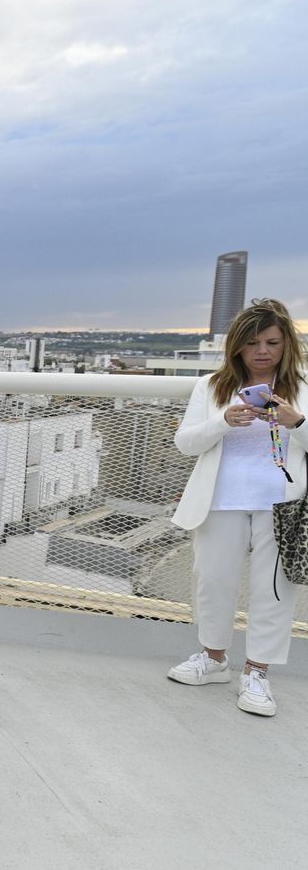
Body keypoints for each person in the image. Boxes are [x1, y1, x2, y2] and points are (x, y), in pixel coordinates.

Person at [167, 298, 307, 716]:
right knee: (213, 580)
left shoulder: (302, 387)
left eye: (271, 341)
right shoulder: (212, 387)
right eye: (252, 342)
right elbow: (185, 442)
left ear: (286, 345)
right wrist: (222, 421)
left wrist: (294, 421)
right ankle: (213, 659)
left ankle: (258, 673)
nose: (262, 351)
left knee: (275, 590)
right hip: (221, 500)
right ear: (237, 348)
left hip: (283, 505)